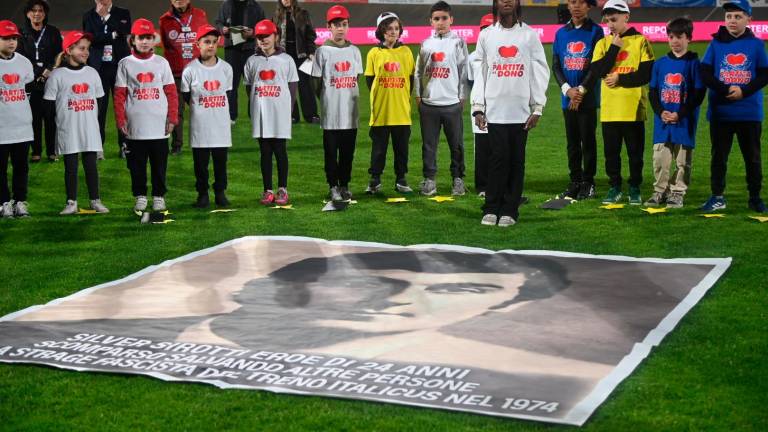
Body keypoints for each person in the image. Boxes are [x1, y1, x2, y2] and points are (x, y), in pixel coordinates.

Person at [471, 0, 549, 227]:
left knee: (516, 161)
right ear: (495, 3)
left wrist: (537, 107)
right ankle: (491, 208)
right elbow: (481, 73)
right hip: (495, 111)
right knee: (497, 160)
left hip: (520, 111)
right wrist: (478, 107)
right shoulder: (486, 36)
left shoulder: (529, 35)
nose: (506, 1)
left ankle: (510, 210)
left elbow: (539, 71)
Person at [699, 0, 768, 213]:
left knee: (752, 158)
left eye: (738, 16)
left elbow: (764, 74)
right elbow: (704, 73)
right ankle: (717, 196)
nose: (732, 20)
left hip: (749, 112)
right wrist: (725, 89)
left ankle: (755, 198)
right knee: (718, 157)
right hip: (721, 113)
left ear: (749, 19)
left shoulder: (757, 45)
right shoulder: (716, 44)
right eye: (729, 16)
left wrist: (743, 91)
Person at [585, 0, 654, 205]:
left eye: (614, 19)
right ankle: (614, 187)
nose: (610, 24)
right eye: (607, 20)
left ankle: (634, 187)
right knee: (611, 154)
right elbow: (598, 71)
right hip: (610, 110)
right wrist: (614, 49)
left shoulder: (641, 41)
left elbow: (645, 75)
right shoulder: (603, 44)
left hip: (634, 109)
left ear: (626, 17)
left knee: (635, 154)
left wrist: (620, 79)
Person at [114, 18, 178, 213]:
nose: (144, 42)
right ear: (133, 40)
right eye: (141, 38)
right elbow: (119, 95)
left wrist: (173, 118)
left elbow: (171, 92)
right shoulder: (125, 63)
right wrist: (120, 120)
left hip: (159, 124)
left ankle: (159, 196)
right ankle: (140, 196)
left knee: (159, 165)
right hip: (135, 125)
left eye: (148, 37)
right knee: (136, 165)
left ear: (153, 40)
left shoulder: (161, 63)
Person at [44, 31, 109, 215]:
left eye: (87, 48)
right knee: (71, 167)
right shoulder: (57, 75)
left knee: (91, 166)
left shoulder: (92, 73)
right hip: (68, 128)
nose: (86, 52)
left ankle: (95, 201)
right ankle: (71, 202)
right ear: (69, 50)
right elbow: (48, 108)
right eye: (81, 48)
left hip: (89, 129)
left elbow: (100, 102)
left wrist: (93, 123)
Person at [645, 17, 704, 208]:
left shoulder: (694, 63)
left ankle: (677, 192)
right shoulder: (660, 63)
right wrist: (660, 111)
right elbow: (653, 92)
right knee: (660, 159)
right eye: (671, 37)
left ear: (689, 38)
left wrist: (681, 114)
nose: (675, 41)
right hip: (663, 121)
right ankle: (659, 191)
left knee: (682, 160)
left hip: (684, 121)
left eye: (679, 37)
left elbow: (698, 94)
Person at [415, 1, 468, 197]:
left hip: (452, 103)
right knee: (429, 145)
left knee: (457, 145)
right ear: (431, 21)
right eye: (436, 19)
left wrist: (462, 96)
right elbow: (418, 72)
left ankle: (458, 179)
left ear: (451, 19)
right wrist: (418, 95)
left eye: (444, 18)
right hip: (429, 104)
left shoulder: (458, 42)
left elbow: (464, 71)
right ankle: (430, 180)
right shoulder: (425, 44)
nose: (440, 22)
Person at [551, 0, 602, 200]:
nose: (577, 6)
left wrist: (580, 91)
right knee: (572, 143)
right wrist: (567, 90)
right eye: (573, 2)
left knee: (588, 141)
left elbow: (596, 66)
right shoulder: (561, 33)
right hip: (568, 98)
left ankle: (588, 182)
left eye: (581, 2)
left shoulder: (596, 32)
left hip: (587, 98)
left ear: (588, 6)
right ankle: (575, 181)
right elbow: (556, 65)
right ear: (568, 6)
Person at [243, 19, 298, 206]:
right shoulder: (252, 61)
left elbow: (292, 88)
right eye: (259, 37)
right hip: (261, 113)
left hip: (280, 113)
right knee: (265, 152)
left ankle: (282, 188)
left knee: (280, 150)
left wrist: (288, 110)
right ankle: (267, 190)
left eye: (267, 36)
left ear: (276, 36)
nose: (263, 40)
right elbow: (249, 87)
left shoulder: (287, 60)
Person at [311, 5, 362, 202]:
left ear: (348, 26)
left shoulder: (355, 51)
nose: (340, 28)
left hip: (350, 113)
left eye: (344, 24)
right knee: (331, 153)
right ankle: (332, 186)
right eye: (336, 25)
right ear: (328, 27)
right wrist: (328, 98)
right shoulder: (322, 52)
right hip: (331, 112)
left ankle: (344, 185)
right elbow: (316, 82)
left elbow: (356, 78)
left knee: (348, 153)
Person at [181, 24, 233, 209]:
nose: (211, 45)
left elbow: (227, 93)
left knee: (221, 162)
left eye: (214, 42)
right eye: (206, 42)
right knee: (200, 164)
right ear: (198, 44)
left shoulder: (226, 68)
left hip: (220, 124)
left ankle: (220, 193)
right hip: (200, 125)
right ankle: (202, 194)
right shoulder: (190, 70)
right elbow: (186, 96)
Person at [364, 12, 415, 195]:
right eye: (388, 28)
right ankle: (375, 180)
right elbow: (370, 81)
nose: (393, 32)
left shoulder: (406, 52)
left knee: (402, 150)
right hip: (381, 112)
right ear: (381, 31)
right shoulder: (374, 53)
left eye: (396, 28)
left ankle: (401, 179)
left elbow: (411, 80)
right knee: (378, 150)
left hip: (401, 112)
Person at [82, 0, 131, 159]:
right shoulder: (88, 16)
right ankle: (98, 147)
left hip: (119, 66)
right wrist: (112, 35)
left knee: (123, 107)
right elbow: (90, 39)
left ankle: (125, 145)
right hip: (99, 67)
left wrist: (107, 17)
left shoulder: (123, 13)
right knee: (99, 110)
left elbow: (124, 31)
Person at [159, 0, 208, 156]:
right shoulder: (164, 20)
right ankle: (177, 144)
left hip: (198, 71)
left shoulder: (200, 15)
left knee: (202, 108)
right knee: (177, 110)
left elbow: (205, 40)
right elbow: (165, 47)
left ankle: (204, 141)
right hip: (176, 73)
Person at [18, 0, 61, 163]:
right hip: (30, 80)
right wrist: (38, 72)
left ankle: (52, 151)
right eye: (33, 10)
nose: (37, 13)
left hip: (51, 80)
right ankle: (36, 151)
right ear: (27, 13)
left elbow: (59, 54)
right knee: (34, 117)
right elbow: (21, 56)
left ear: (45, 13)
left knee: (51, 117)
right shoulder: (21, 33)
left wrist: (48, 70)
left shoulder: (53, 31)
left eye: (40, 10)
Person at [0, 20, 34, 218]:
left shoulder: (24, 62)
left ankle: (20, 201)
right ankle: (3, 203)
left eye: (14, 38)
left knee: (22, 167)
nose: (11, 42)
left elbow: (27, 86)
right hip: (1, 126)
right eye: (6, 38)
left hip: (22, 125)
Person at [215, 0, 264, 122]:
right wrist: (222, 29)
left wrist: (253, 33)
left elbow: (262, 25)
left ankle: (254, 114)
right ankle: (231, 116)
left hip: (250, 49)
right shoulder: (226, 4)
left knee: (253, 84)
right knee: (231, 84)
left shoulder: (256, 6)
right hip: (232, 49)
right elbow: (218, 22)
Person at [273, 0, 319, 124]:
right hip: (284, 56)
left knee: (306, 86)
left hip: (301, 55)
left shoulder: (303, 14)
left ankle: (311, 115)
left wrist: (311, 51)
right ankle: (292, 116)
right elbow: (274, 36)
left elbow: (310, 34)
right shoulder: (277, 16)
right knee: (288, 86)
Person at [467, 13, 494, 197]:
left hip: (500, 106)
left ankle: (501, 184)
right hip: (480, 107)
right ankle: (483, 186)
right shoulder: (472, 57)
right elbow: (471, 82)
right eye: (485, 28)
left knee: (500, 146)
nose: (487, 32)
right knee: (482, 147)